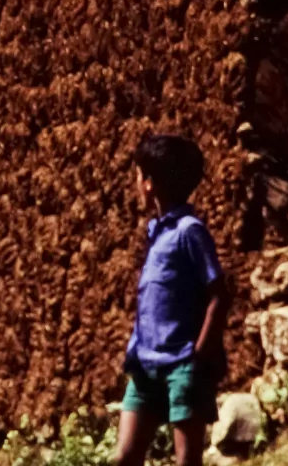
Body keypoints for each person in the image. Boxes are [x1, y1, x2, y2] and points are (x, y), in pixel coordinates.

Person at [113, 135, 229, 466]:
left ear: (150, 184)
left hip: (182, 364)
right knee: (124, 456)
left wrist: (200, 351)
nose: (135, 183)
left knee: (186, 460)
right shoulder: (158, 233)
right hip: (146, 365)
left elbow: (218, 294)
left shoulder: (189, 232)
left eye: (138, 176)